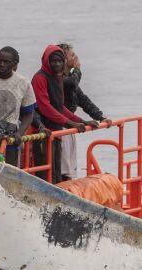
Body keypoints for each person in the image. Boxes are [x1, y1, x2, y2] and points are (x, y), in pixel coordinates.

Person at [31, 44, 97, 184]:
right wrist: (70, 123)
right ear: (46, 61)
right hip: (42, 132)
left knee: (56, 173)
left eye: (60, 61)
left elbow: (59, 107)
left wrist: (82, 121)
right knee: (44, 175)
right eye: (53, 61)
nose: (57, 64)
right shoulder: (39, 78)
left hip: (56, 132)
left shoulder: (58, 77)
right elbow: (45, 107)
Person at [57, 43, 112, 180]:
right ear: (63, 59)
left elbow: (83, 99)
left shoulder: (69, 79)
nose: (76, 58)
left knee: (69, 168)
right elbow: (71, 83)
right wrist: (78, 70)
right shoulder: (59, 80)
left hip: (70, 127)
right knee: (62, 167)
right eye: (72, 55)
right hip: (60, 125)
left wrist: (100, 116)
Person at [0, 46, 37, 166]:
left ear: (14, 64)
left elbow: (29, 113)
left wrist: (20, 132)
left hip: (10, 138)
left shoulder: (23, 83)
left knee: (9, 171)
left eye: (6, 62)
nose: (1, 64)